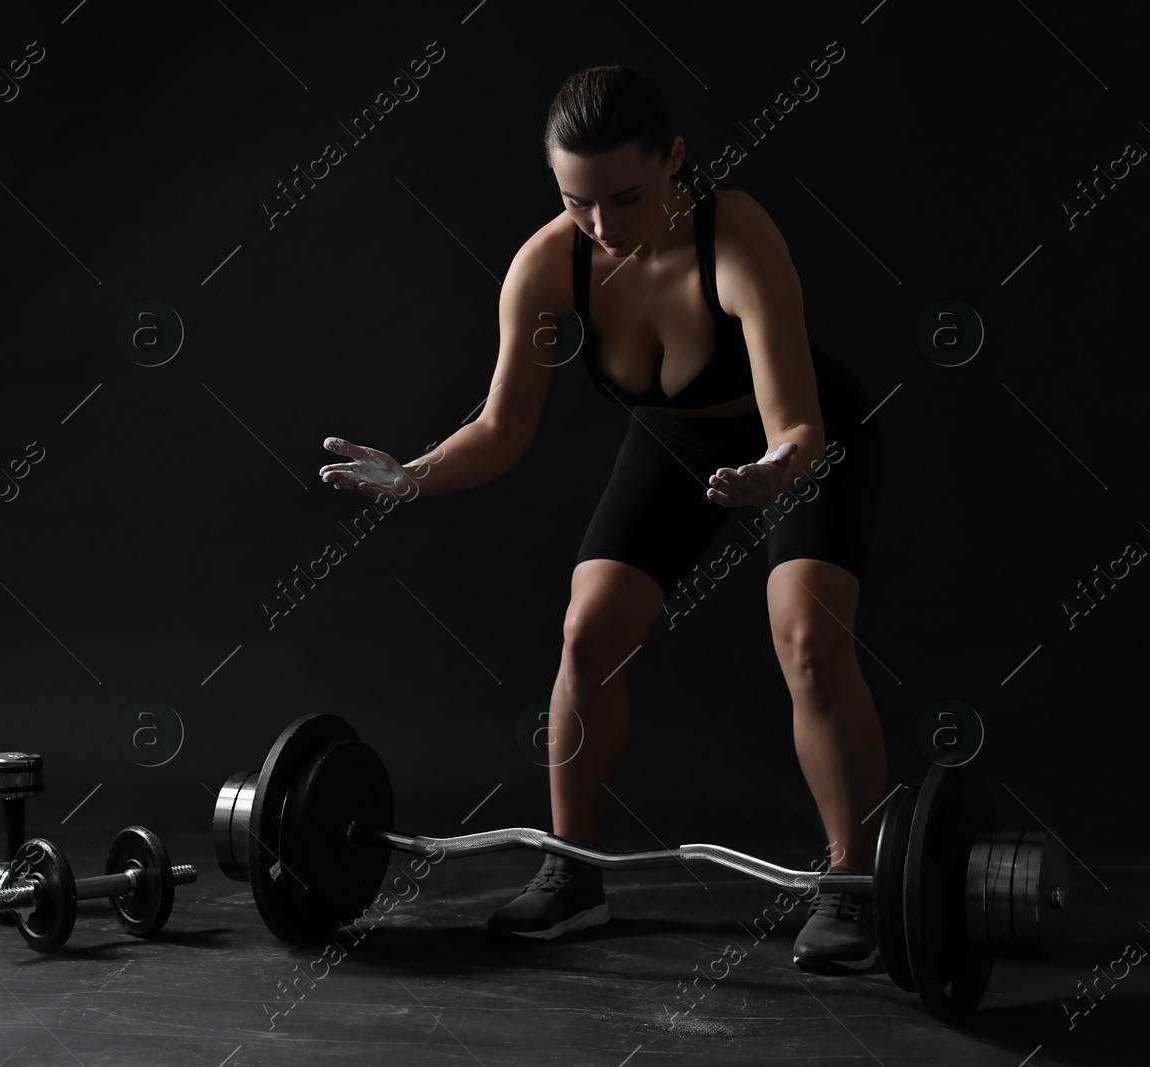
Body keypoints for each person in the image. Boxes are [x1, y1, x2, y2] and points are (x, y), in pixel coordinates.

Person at [318, 65, 887, 973]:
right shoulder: (550, 263)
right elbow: (502, 431)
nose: (604, 225)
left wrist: (777, 470)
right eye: (578, 201)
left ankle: (855, 886)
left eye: (625, 197)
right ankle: (572, 876)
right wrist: (416, 474)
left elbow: (797, 427)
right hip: (678, 440)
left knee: (809, 642)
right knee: (586, 637)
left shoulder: (734, 236)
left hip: (801, 439)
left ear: (674, 160)